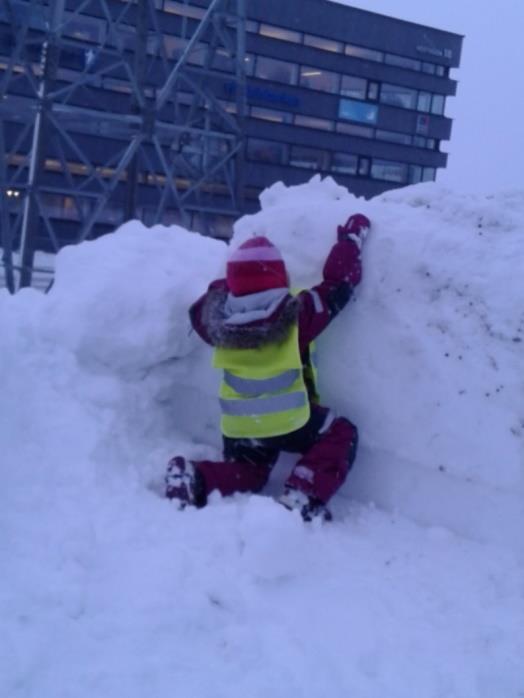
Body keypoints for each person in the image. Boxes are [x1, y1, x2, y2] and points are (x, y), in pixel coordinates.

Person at [165, 213, 371, 521]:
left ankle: (195, 479)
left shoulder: (216, 323)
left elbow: (199, 309)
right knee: (342, 433)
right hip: (292, 423)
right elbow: (339, 284)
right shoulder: (298, 316)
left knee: (249, 474)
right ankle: (305, 491)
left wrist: (235, 286)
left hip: (241, 427)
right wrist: (349, 242)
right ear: (280, 280)